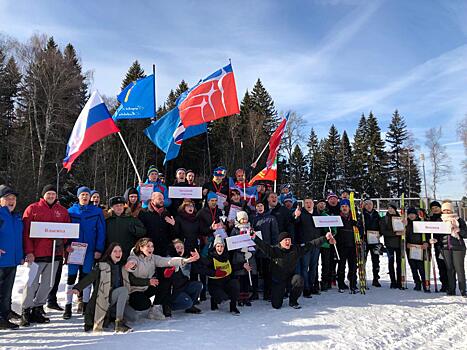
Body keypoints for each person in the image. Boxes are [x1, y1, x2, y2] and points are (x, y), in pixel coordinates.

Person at [20, 185, 71, 326]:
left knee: (48, 284)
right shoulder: (33, 209)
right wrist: (29, 251)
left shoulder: (62, 211)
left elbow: (67, 232)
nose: (51, 196)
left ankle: (38, 308)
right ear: (44, 195)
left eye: (53, 194)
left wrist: (65, 245)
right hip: (36, 255)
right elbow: (26, 233)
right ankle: (26, 310)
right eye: (48, 194)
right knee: (31, 284)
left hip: (54, 255)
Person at [252, 230, 335, 309]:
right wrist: (255, 237)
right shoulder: (274, 250)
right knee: (276, 305)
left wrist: (325, 238)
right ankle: (279, 294)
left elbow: (310, 244)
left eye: (289, 240)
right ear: (280, 242)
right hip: (278, 281)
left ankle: (293, 301)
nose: (288, 242)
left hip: (290, 279)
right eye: (285, 240)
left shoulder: (295, 249)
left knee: (299, 280)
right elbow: (263, 246)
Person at [70, 243, 140, 333]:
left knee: (133, 317)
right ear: (110, 253)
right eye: (115, 251)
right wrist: (78, 288)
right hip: (105, 299)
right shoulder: (102, 266)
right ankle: (119, 323)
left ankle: (111, 315)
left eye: (120, 251)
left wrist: (148, 281)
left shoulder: (122, 266)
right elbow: (90, 277)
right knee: (123, 290)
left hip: (117, 301)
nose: (118, 253)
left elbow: (133, 280)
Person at [125, 238, 199, 319]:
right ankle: (128, 306)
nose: (151, 248)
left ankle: (155, 309)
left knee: (164, 282)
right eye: (148, 246)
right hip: (135, 290)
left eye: (152, 246)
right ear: (141, 248)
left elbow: (168, 261)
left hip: (146, 288)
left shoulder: (153, 258)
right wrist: (131, 266)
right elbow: (132, 266)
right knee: (145, 304)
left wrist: (186, 260)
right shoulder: (134, 258)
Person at [64, 186, 106, 319]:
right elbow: (65, 230)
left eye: (87, 195)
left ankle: (86, 305)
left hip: (89, 249)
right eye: (82, 194)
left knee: (87, 276)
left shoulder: (97, 211)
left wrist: (99, 249)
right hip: (74, 249)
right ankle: (68, 306)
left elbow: (101, 231)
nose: (85, 197)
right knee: (71, 277)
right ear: (78, 196)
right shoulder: (70, 211)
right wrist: (66, 245)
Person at [203, 235, 245, 315]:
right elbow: (203, 270)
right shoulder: (210, 257)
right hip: (214, 285)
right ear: (215, 247)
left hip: (226, 282)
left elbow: (231, 267)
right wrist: (214, 272)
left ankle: (233, 307)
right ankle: (214, 301)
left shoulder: (226, 256)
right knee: (222, 298)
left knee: (235, 284)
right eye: (218, 246)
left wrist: (242, 265)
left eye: (222, 246)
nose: (220, 248)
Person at [0, 185, 23, 330]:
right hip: (1, 261)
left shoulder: (16, 217)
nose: (11, 201)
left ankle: (6, 312)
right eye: (7, 198)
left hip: (12, 259)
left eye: (13, 198)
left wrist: (21, 255)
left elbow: (19, 238)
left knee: (7, 289)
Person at [161, 239, 203, 314]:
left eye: (181, 247)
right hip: (174, 291)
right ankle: (169, 306)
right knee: (188, 303)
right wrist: (170, 269)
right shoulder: (169, 260)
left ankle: (190, 307)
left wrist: (198, 259)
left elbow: (199, 269)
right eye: (177, 247)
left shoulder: (187, 259)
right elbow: (166, 274)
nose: (180, 249)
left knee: (198, 285)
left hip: (184, 286)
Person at [294, 197, 323, 297]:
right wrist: (296, 216)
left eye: (310, 202)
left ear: (313, 204)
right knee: (304, 267)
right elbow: (295, 223)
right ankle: (306, 288)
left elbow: (322, 228)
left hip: (316, 245)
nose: (308, 204)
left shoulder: (317, 214)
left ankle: (312, 286)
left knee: (314, 267)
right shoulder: (301, 214)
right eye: (306, 203)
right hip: (305, 245)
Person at [251, 202, 279, 301]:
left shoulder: (271, 218)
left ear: (265, 207)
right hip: (256, 250)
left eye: (261, 206)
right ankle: (256, 292)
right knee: (257, 271)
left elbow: (275, 234)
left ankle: (268, 293)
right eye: (257, 206)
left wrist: (274, 247)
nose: (259, 208)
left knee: (268, 272)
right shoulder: (253, 219)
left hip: (267, 250)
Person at [105, 196, 146, 261]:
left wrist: (135, 229)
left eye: (121, 205)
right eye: (116, 206)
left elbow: (143, 232)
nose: (119, 207)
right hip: (111, 254)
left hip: (128, 254)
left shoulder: (131, 219)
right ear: (112, 208)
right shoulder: (107, 221)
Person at [229, 211, 258, 306]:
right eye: (242, 218)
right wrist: (241, 249)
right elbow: (232, 243)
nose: (244, 220)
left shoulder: (250, 229)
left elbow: (256, 242)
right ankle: (239, 298)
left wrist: (251, 252)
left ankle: (246, 297)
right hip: (239, 257)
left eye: (245, 218)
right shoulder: (235, 230)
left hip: (249, 256)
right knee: (240, 278)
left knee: (247, 278)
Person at [439, 201, 467, 297]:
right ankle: (451, 289)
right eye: (444, 210)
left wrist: (459, 230)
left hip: (458, 248)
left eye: (448, 209)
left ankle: (463, 290)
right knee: (449, 269)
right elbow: (437, 234)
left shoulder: (459, 220)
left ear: (451, 209)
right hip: (445, 248)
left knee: (459, 269)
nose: (446, 211)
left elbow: (466, 234)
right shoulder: (440, 220)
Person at [138, 192, 175, 257]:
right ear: (152, 200)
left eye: (163, 199)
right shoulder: (144, 213)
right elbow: (141, 233)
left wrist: (173, 225)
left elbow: (171, 233)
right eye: (159, 199)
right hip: (149, 250)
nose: (162, 201)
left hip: (164, 250)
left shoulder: (166, 213)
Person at [336, 199, 359, 294]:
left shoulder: (354, 217)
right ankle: (341, 284)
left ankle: (353, 284)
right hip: (341, 245)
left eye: (346, 206)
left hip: (352, 245)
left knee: (353, 266)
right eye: (342, 207)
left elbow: (361, 230)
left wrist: (357, 225)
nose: (344, 208)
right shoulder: (338, 217)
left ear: (349, 208)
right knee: (341, 266)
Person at [405, 207, 429, 292]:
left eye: (413, 214)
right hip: (410, 248)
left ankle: (424, 283)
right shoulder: (406, 224)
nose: (411, 216)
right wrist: (406, 244)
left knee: (421, 267)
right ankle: (417, 283)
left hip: (420, 248)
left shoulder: (421, 222)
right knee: (413, 267)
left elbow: (427, 234)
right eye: (409, 214)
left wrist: (426, 242)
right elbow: (403, 237)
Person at [360, 199, 382, 287]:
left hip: (375, 241)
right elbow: (358, 226)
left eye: (370, 204)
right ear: (364, 206)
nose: (369, 206)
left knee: (376, 260)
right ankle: (362, 277)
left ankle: (376, 279)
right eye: (367, 204)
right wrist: (361, 236)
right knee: (363, 259)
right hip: (365, 240)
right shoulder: (361, 215)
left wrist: (380, 233)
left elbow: (381, 226)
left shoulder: (377, 215)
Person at [427, 201, 448, 292]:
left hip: (447, 245)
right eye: (433, 208)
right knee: (441, 266)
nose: (435, 210)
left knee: (448, 266)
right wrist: (430, 240)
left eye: (436, 207)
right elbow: (428, 231)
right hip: (437, 247)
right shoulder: (430, 219)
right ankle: (444, 284)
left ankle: (450, 284)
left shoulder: (445, 217)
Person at [380, 202, 402, 289]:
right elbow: (383, 231)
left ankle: (400, 281)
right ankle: (393, 281)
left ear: (395, 209)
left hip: (400, 244)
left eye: (392, 208)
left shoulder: (400, 218)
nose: (390, 210)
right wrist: (395, 233)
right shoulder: (384, 219)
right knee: (391, 262)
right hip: (389, 244)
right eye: (389, 208)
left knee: (400, 263)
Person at [316, 198, 334, 292]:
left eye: (323, 204)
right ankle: (315, 283)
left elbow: (333, 229)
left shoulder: (327, 215)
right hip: (315, 243)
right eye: (320, 203)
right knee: (314, 264)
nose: (322, 205)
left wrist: (332, 235)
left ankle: (325, 282)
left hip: (325, 244)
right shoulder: (314, 214)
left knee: (326, 264)